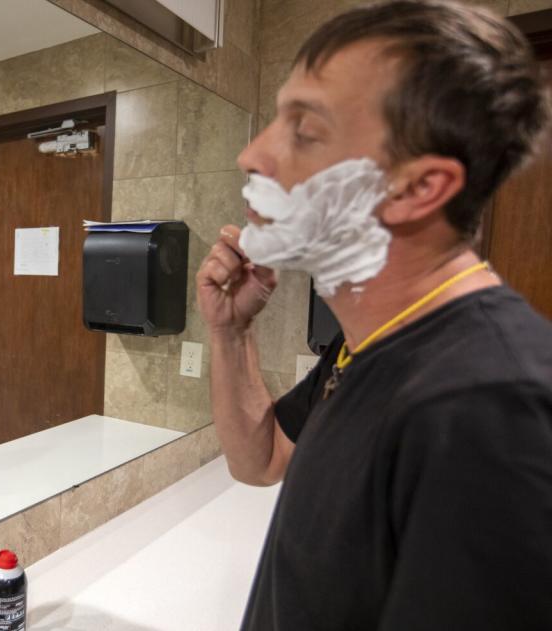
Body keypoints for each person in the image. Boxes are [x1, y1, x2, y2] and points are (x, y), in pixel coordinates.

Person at [196, 1, 552, 629]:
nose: (250, 155)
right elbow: (262, 461)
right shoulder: (373, 342)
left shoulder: (490, 407)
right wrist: (230, 333)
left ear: (419, 188)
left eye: (304, 130)